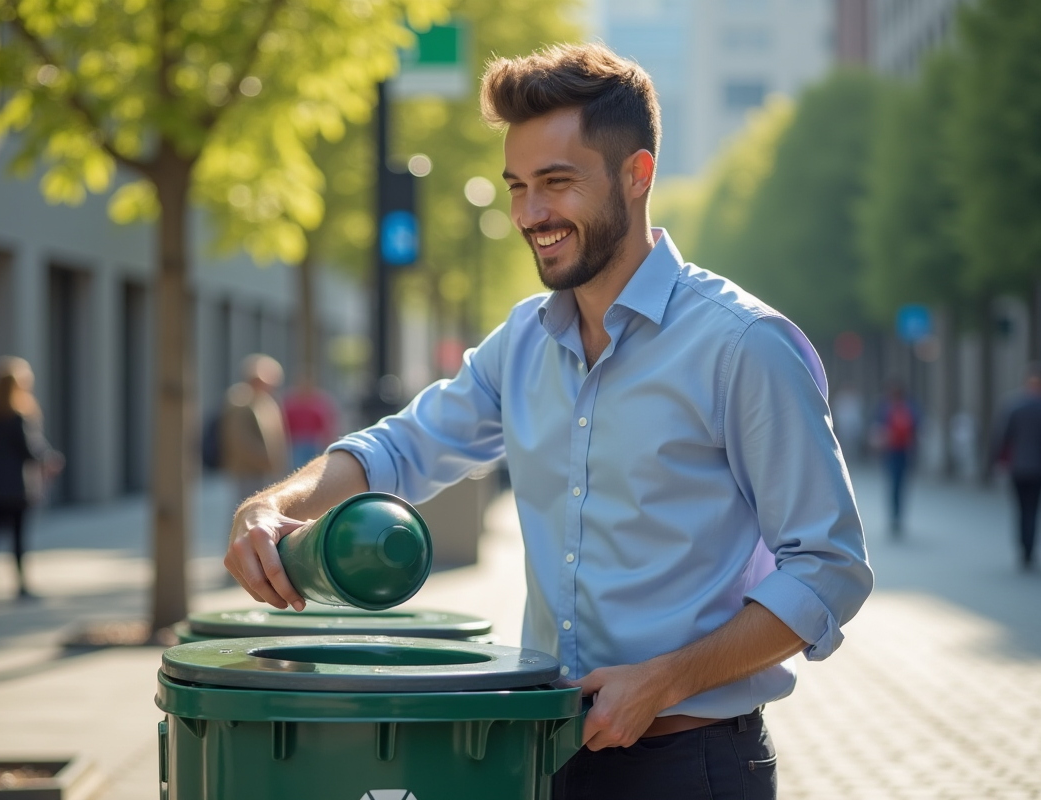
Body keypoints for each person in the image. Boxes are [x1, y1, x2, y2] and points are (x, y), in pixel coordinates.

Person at [224, 43, 872, 800]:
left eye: (557, 183)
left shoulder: (742, 346)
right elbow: (400, 447)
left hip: (693, 768)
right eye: (518, 187)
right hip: (547, 761)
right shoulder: (523, 342)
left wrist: (662, 682)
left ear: (637, 176)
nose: (530, 214)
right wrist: (275, 507)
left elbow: (829, 568)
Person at [0, 357, 62, 602]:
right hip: (17, 486)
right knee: (18, 536)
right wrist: (48, 458)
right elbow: (28, 450)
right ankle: (21, 585)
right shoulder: (18, 417)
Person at [991, 364, 1041, 570]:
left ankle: (1024, 546)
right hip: (1038, 467)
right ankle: (1030, 548)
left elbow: (1002, 438)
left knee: (1021, 509)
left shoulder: (1013, 406)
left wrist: (996, 462)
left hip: (1018, 467)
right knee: (1033, 508)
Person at [220, 354, 289, 502]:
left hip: (265, 469)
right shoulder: (241, 402)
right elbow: (240, 440)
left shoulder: (266, 401)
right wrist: (264, 459)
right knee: (247, 506)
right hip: (248, 469)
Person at [871, 379, 919, 537]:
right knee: (894, 484)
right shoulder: (885, 408)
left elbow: (917, 427)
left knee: (900, 485)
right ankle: (895, 517)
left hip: (904, 452)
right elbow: (877, 427)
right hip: (890, 452)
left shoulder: (909, 408)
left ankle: (898, 516)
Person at [281, 375, 339, 470]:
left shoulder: (319, 402)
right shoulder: (291, 402)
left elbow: (326, 424)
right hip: (295, 442)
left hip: (313, 442)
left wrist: (328, 440)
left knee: (312, 467)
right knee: (297, 468)